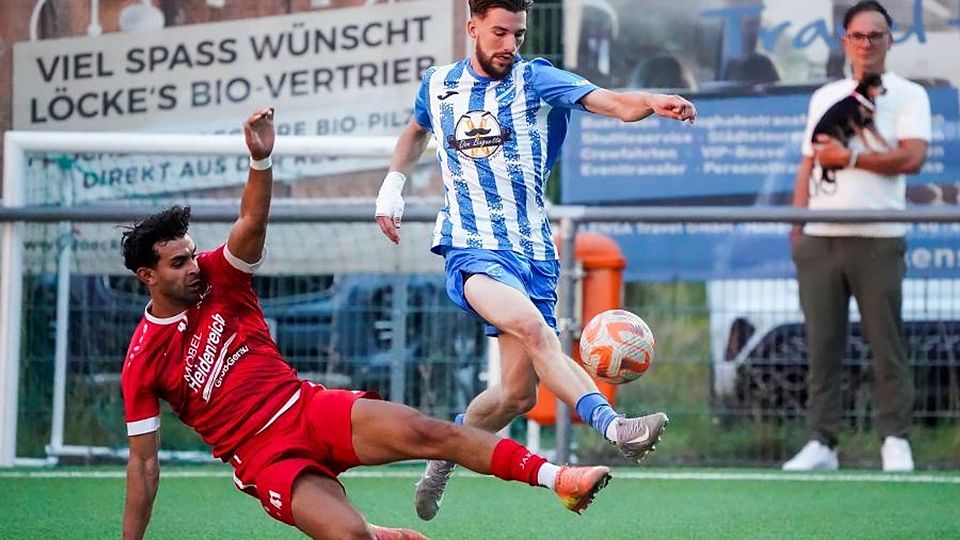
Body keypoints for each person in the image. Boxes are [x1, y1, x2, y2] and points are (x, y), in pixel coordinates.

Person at [120, 108, 614, 540]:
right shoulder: (142, 362)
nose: (192, 267)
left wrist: (261, 160)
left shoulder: (218, 278)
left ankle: (558, 479)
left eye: (190, 255)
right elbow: (144, 464)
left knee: (429, 431)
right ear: (148, 276)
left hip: (307, 407)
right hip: (263, 456)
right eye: (177, 264)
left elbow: (251, 222)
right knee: (349, 535)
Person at [374, 0, 697, 520]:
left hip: (533, 253)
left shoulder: (537, 81)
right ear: (473, 26)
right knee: (530, 326)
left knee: (514, 396)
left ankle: (443, 455)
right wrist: (392, 186)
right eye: (500, 33)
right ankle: (616, 428)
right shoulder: (437, 85)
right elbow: (416, 129)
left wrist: (653, 102)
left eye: (518, 36)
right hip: (471, 247)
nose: (509, 46)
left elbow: (609, 102)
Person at [783, 0, 931, 472]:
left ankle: (894, 440)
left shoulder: (910, 96)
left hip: (879, 237)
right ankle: (822, 442)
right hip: (820, 237)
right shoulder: (825, 97)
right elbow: (809, 161)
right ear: (844, 40)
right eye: (858, 36)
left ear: (890, 40)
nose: (867, 44)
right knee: (821, 345)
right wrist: (797, 224)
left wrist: (849, 159)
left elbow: (912, 158)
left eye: (876, 35)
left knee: (886, 345)